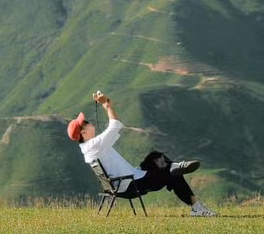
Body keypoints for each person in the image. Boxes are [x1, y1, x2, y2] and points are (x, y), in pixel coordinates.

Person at [68, 91, 217, 216]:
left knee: (155, 156)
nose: (89, 122)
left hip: (124, 182)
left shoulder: (88, 148)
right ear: (84, 132)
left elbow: (112, 130)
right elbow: (116, 124)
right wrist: (107, 105)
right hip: (132, 185)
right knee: (172, 174)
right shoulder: (94, 145)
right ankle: (195, 205)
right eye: (85, 122)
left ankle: (176, 171)